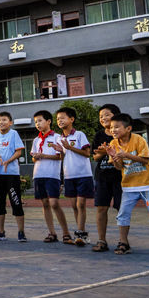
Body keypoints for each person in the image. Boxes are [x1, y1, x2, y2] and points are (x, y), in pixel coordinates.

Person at [102, 113, 149, 254]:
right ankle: (123, 243)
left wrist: (126, 155)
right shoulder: (113, 143)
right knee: (123, 214)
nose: (113, 130)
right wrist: (114, 157)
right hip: (129, 187)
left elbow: (145, 160)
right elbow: (119, 167)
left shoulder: (138, 140)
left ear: (128, 128)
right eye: (111, 127)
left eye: (116, 127)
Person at [51, 106, 92, 247]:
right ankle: (82, 233)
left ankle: (80, 233)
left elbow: (87, 153)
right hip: (69, 175)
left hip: (83, 174)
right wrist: (61, 152)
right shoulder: (60, 138)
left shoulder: (79, 134)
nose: (59, 121)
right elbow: (64, 156)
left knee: (81, 204)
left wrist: (70, 148)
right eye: (57, 119)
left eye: (62, 118)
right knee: (74, 205)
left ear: (72, 119)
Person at [30, 110, 71, 244]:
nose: (38, 124)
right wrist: (35, 157)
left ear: (48, 121)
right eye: (36, 122)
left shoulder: (57, 137)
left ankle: (66, 232)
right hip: (39, 174)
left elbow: (60, 156)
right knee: (45, 203)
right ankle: (52, 232)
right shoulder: (36, 140)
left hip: (52, 175)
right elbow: (34, 159)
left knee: (54, 203)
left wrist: (43, 156)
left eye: (40, 121)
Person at [0, 111, 26, 242]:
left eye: (4, 120)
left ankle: (21, 232)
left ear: (10, 122)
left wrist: (8, 161)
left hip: (11, 174)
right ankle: (0, 232)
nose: (1, 122)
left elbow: (19, 152)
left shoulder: (14, 134)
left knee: (16, 202)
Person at [90, 103, 122, 252]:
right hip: (102, 177)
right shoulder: (99, 135)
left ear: (116, 116)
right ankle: (102, 240)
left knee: (121, 209)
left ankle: (123, 241)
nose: (103, 118)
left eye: (107, 115)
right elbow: (95, 157)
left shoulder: (122, 134)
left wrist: (110, 150)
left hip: (120, 177)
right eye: (101, 116)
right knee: (101, 208)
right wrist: (103, 152)